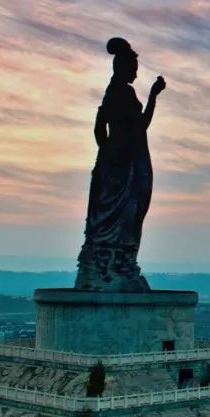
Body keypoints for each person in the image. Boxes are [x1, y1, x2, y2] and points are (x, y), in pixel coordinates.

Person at [75, 37, 166, 291]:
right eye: (134, 68)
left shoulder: (111, 91)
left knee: (110, 216)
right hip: (123, 162)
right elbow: (141, 125)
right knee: (127, 213)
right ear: (124, 67)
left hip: (113, 159)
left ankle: (104, 266)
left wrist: (106, 151)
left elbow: (99, 128)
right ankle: (116, 267)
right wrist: (153, 96)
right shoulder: (123, 92)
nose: (136, 73)